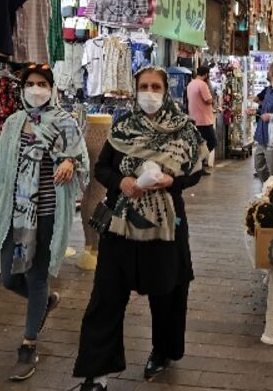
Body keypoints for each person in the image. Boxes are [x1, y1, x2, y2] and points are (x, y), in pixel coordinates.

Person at [74, 67, 208, 391]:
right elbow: (102, 167)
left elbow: (195, 171)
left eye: (155, 86)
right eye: (144, 86)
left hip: (166, 227)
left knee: (167, 294)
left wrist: (170, 181)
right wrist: (123, 181)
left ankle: (162, 351)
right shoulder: (123, 128)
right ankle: (97, 372)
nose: (150, 92)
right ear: (135, 90)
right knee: (106, 297)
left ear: (166, 90)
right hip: (121, 226)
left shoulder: (184, 130)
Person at [0, 65, 90, 382]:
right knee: (9, 277)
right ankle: (44, 302)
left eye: (42, 84)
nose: (35, 89)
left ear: (52, 87)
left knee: (35, 274)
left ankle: (28, 345)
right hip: (15, 213)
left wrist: (70, 161)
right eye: (30, 84)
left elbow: (82, 161)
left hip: (47, 215)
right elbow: (2, 170)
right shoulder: (13, 123)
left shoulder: (65, 122)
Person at [186, 65, 216, 162]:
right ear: (206, 74)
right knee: (212, 142)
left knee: (199, 143)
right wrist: (213, 99)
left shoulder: (191, 84)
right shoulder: (202, 85)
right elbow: (208, 100)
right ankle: (198, 161)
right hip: (204, 120)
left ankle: (199, 164)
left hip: (194, 118)